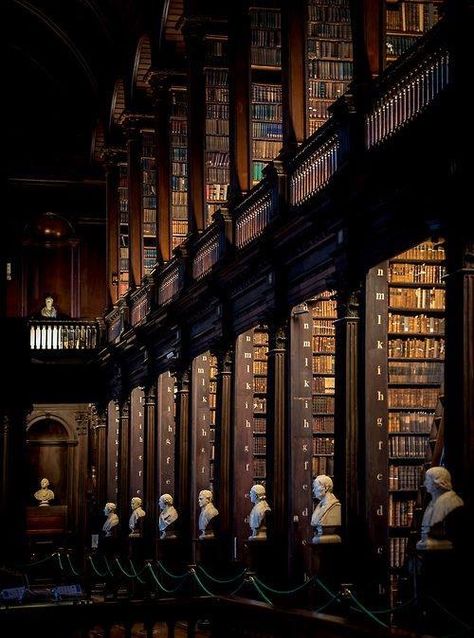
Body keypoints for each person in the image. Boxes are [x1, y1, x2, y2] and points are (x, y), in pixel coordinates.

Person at [416, 466, 464, 550]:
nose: (425, 483)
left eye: (427, 480)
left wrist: (434, 544)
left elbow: (457, 539)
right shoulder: (432, 502)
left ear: (438, 483)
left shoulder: (452, 502)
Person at [311, 475, 341, 544]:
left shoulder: (335, 506)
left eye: (316, 487)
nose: (313, 490)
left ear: (326, 488)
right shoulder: (319, 506)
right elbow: (314, 521)